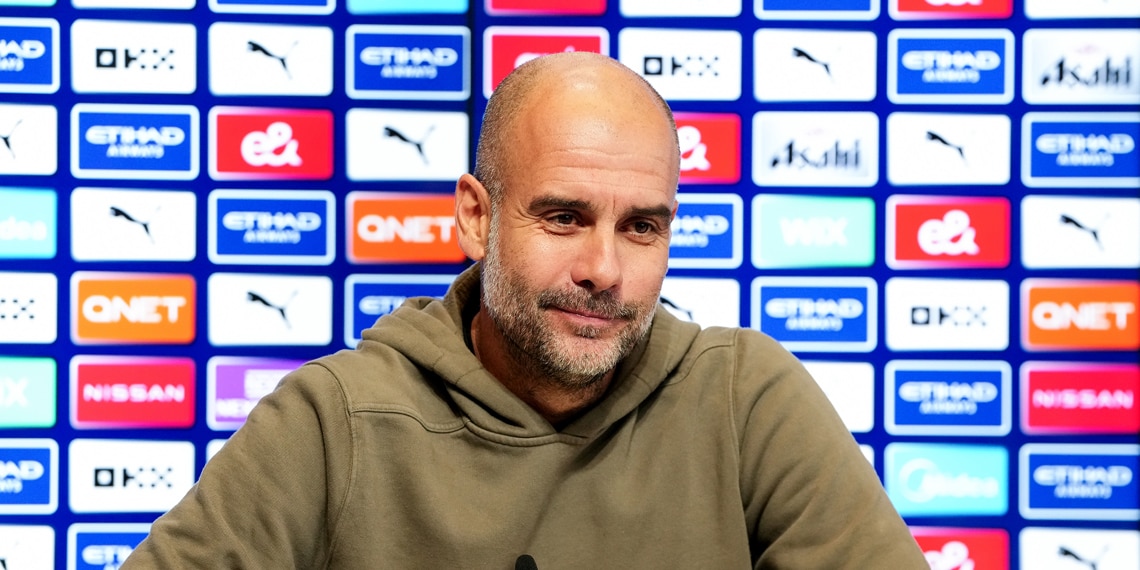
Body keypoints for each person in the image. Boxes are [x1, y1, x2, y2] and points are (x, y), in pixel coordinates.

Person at [123, 52, 927, 569]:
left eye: (641, 227)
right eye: (564, 217)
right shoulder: (335, 421)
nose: (603, 270)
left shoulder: (747, 398)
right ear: (476, 217)